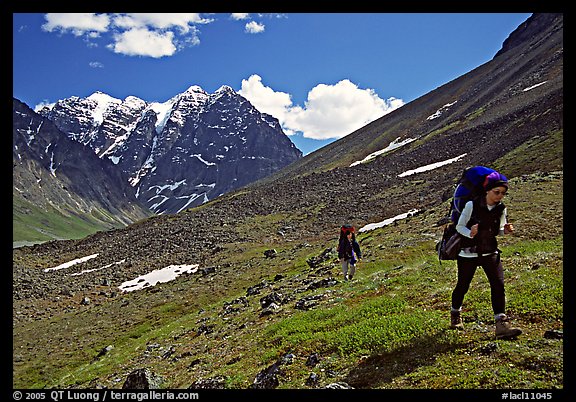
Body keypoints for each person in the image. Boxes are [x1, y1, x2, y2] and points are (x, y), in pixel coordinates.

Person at [449, 171, 522, 339]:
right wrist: (470, 233)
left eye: (503, 193)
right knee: (463, 285)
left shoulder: (501, 209)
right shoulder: (471, 205)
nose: (500, 196)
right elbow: (460, 227)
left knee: (498, 285)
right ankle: (455, 314)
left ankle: (501, 324)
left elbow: (499, 230)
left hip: (490, 251)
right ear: (487, 191)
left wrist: (506, 231)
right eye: (497, 192)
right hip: (468, 253)